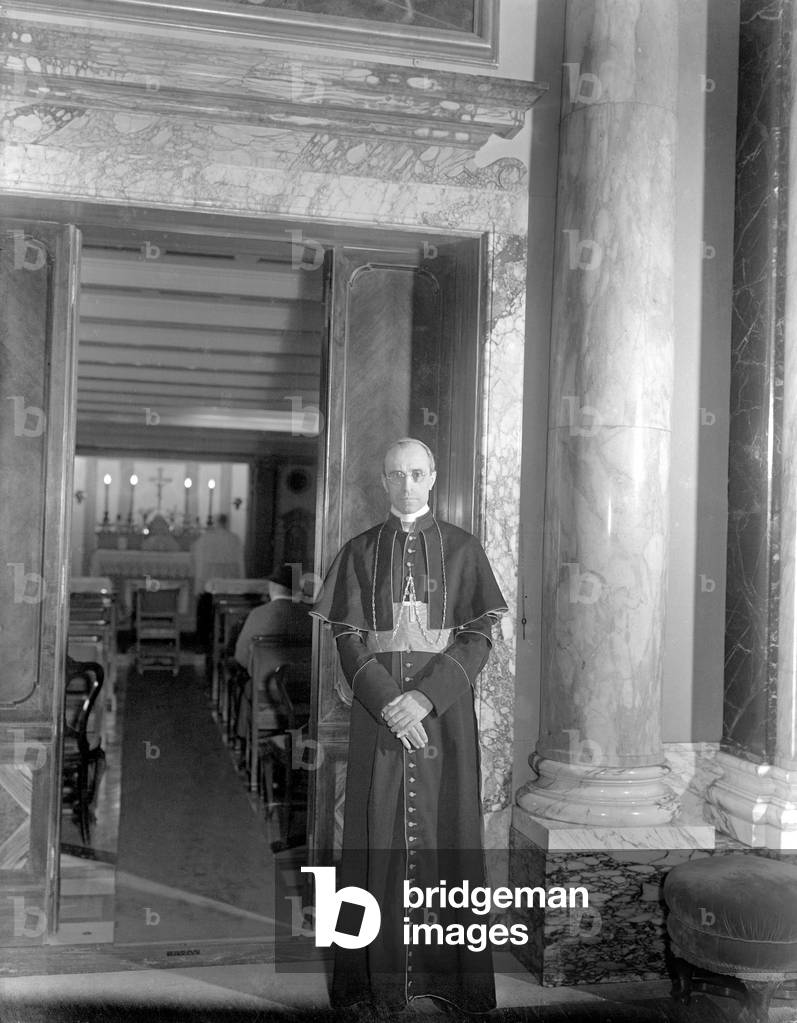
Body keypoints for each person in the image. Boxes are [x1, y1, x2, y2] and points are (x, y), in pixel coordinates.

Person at [311, 438, 507, 1016]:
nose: (406, 485)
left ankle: (452, 983)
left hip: (444, 723)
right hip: (379, 722)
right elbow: (346, 638)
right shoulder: (359, 551)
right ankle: (377, 984)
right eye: (395, 475)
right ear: (383, 482)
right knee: (376, 838)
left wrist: (423, 699)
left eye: (416, 473)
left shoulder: (465, 548)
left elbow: (478, 638)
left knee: (449, 835)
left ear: (434, 477)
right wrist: (388, 702)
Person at [190, 512, 245, 647]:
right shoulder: (235, 539)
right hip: (229, 589)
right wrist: (241, 584)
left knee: (205, 618)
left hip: (208, 587)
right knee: (223, 620)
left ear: (214, 522)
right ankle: (224, 643)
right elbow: (240, 564)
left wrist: (198, 587)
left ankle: (203, 644)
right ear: (226, 522)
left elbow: (197, 564)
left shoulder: (204, 539)